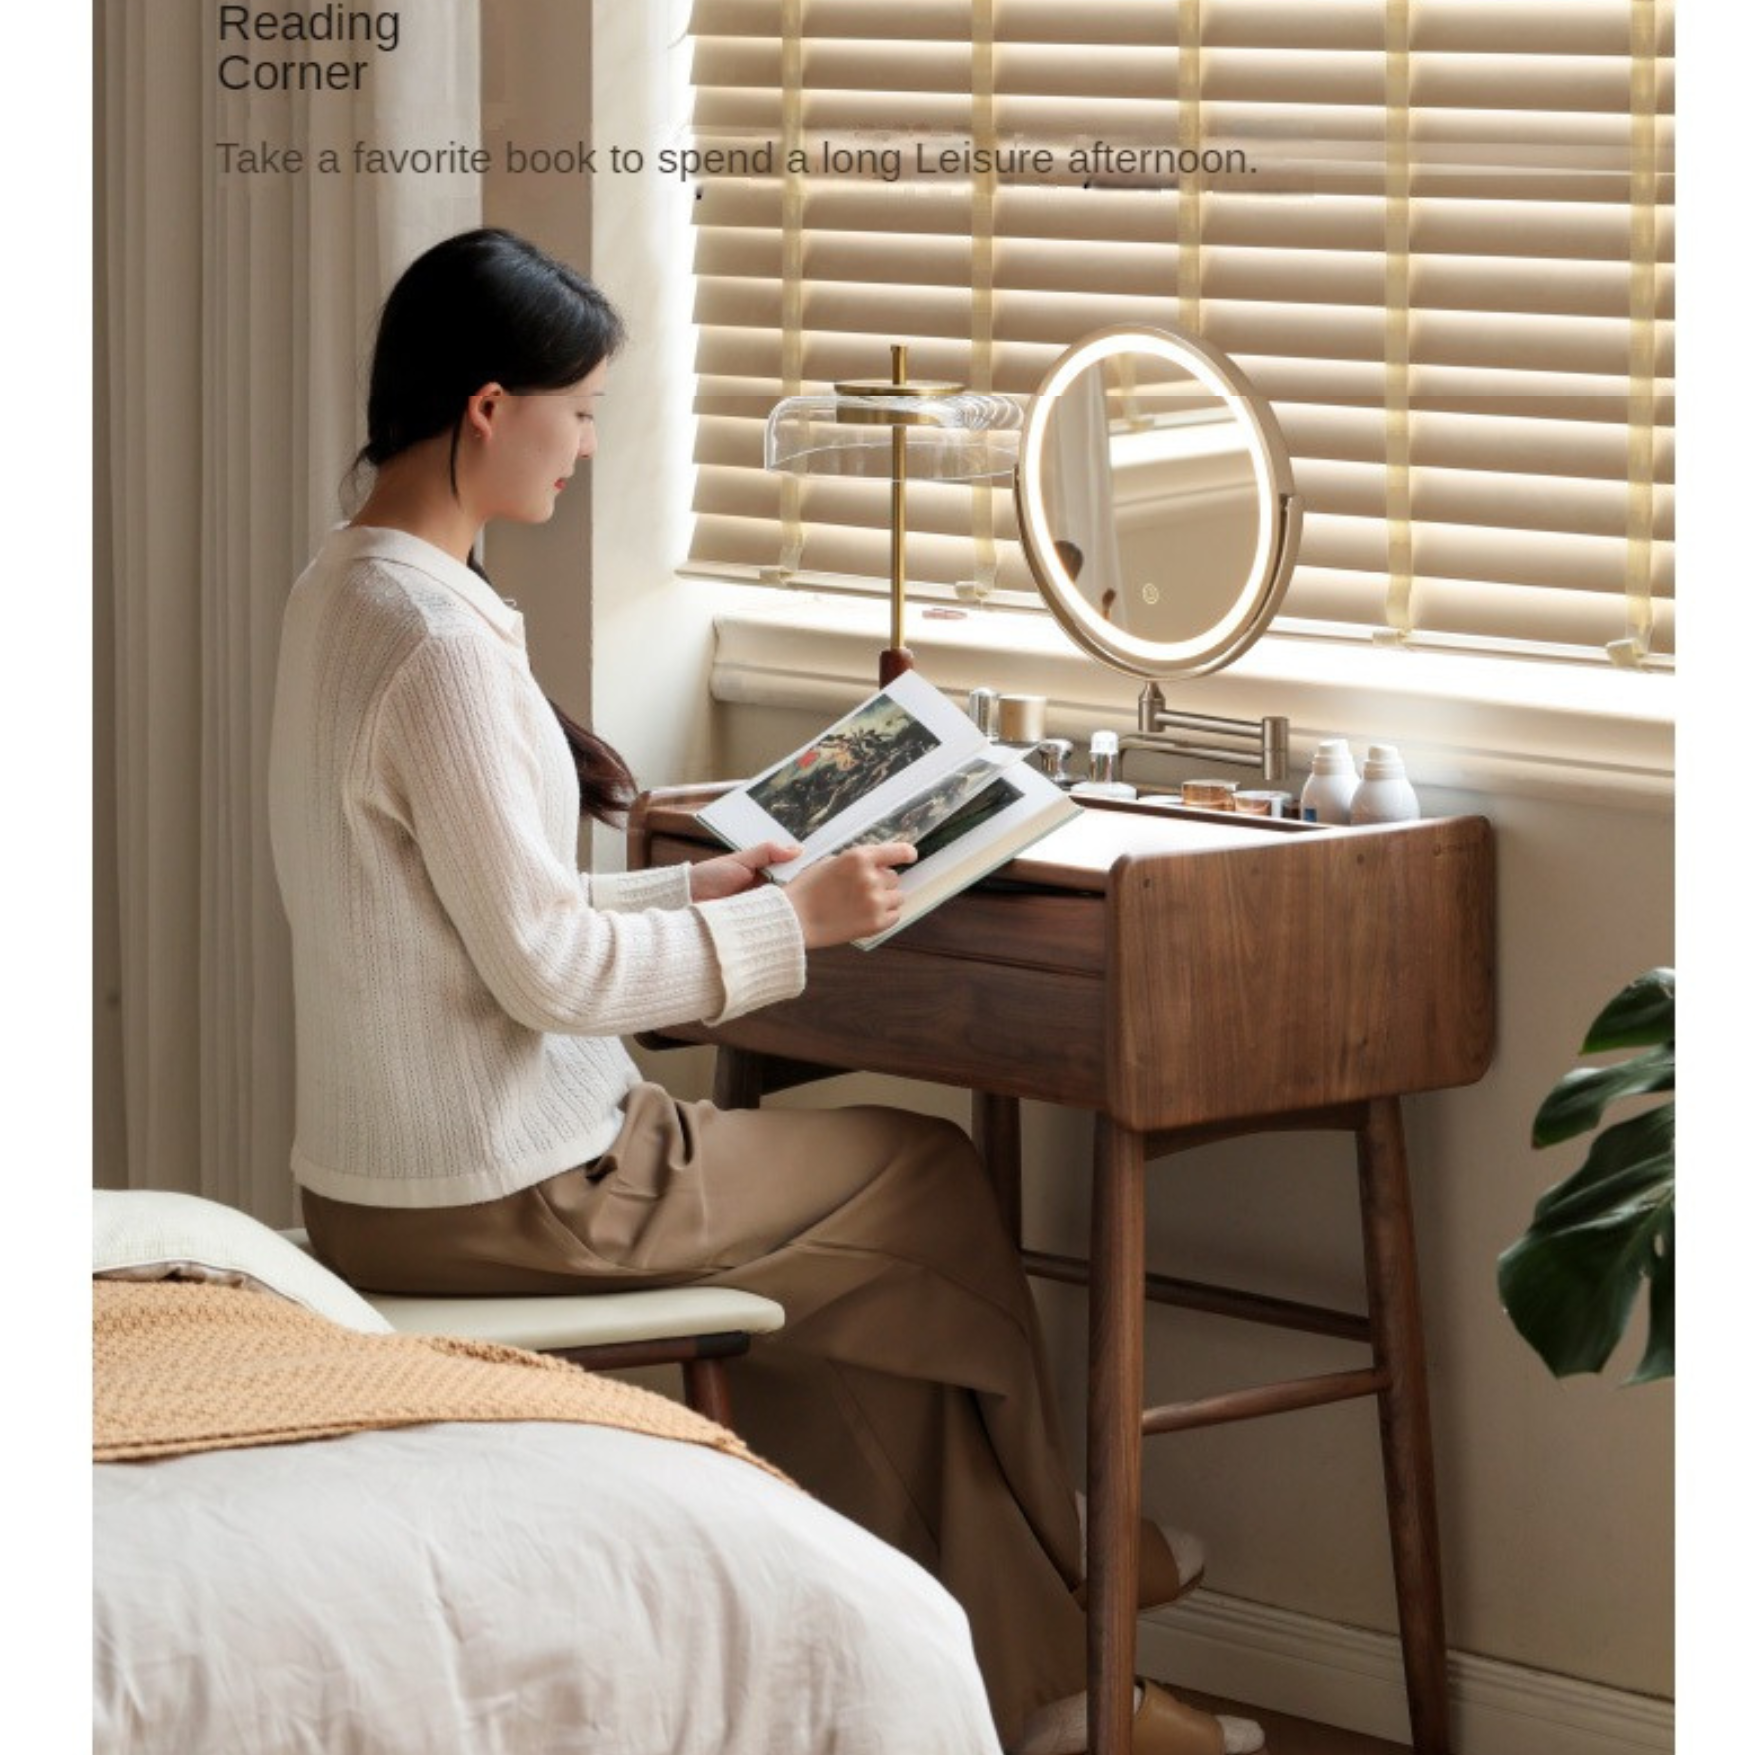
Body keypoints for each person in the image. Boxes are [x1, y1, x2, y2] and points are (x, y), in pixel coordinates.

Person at [267, 227, 1258, 1755]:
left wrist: (700, 890)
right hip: (515, 1189)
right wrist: (796, 919)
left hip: (387, 1185)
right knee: (926, 1174)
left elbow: (487, 918)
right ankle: (1075, 1547)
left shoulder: (345, 591)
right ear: (487, 407)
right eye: (578, 412)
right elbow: (544, 969)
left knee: (860, 1309)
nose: (586, 447)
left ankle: (1049, 1697)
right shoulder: (438, 643)